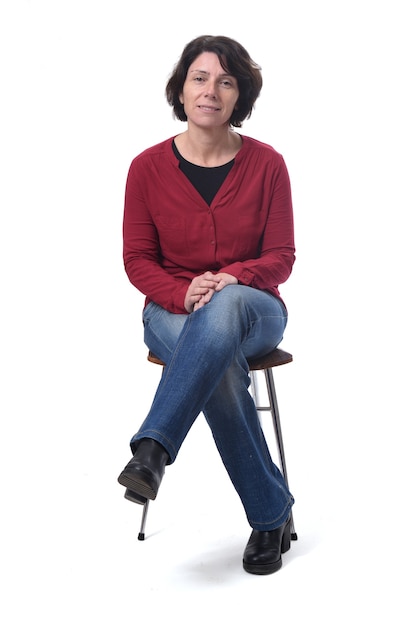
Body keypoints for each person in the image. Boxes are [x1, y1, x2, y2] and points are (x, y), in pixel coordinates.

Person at [118, 34, 296, 575]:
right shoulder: (146, 168)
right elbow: (137, 259)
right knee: (215, 369)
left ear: (239, 94)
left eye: (225, 80)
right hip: (170, 313)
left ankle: (152, 447)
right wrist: (180, 292)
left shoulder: (267, 165)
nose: (211, 90)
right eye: (200, 77)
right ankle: (272, 514)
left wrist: (229, 279)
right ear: (181, 88)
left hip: (254, 310)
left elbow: (282, 256)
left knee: (221, 317)